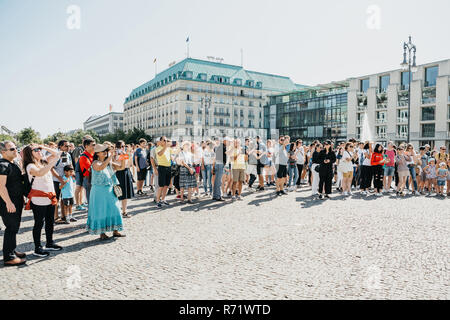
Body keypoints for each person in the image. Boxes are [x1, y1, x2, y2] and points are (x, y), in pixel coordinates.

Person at [23, 144, 63, 257]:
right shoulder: (30, 166)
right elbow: (40, 173)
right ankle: (37, 247)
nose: (39, 151)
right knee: (39, 223)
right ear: (30, 153)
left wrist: (43, 147)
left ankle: (49, 242)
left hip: (50, 198)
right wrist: (52, 162)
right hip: (38, 199)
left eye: (39, 149)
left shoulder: (43, 161)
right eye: (36, 150)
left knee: (50, 221)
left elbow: (58, 153)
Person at [86, 144, 125, 240]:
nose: (105, 152)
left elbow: (121, 167)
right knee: (101, 211)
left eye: (105, 150)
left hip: (110, 190)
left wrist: (123, 156)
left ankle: (115, 230)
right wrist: (110, 158)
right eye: (103, 151)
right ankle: (102, 232)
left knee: (115, 209)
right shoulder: (95, 163)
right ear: (97, 153)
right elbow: (100, 167)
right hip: (98, 191)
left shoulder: (109, 162)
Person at [0, 141, 26, 266]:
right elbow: (1, 187)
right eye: (12, 149)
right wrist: (8, 203)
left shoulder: (13, 163)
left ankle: (12, 250)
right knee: (11, 228)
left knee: (15, 227)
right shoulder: (2, 165)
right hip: (8, 202)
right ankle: (8, 257)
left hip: (17, 200)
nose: (15, 150)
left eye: (16, 148)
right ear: (3, 152)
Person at [115, 140, 134, 218]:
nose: (123, 148)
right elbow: (118, 159)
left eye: (123, 146)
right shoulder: (116, 153)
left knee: (125, 194)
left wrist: (128, 155)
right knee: (119, 193)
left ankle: (124, 211)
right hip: (119, 172)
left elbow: (129, 163)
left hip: (126, 171)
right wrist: (128, 155)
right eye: (121, 146)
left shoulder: (124, 153)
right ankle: (118, 211)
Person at [53, 140, 71, 224]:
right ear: (60, 146)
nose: (68, 148)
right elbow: (51, 168)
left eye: (68, 146)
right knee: (56, 199)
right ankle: (55, 217)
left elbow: (69, 166)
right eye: (66, 146)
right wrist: (60, 178)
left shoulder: (68, 155)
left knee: (64, 198)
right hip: (56, 180)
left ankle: (64, 216)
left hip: (65, 180)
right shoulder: (56, 155)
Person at [76, 138, 95, 208]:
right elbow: (91, 169)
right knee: (91, 198)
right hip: (89, 179)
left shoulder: (93, 154)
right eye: (92, 145)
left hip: (93, 178)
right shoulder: (83, 156)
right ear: (86, 146)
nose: (94, 147)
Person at [155, 136, 172, 208]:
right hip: (162, 167)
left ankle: (163, 199)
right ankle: (158, 201)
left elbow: (174, 153)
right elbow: (160, 154)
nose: (165, 142)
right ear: (161, 141)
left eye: (166, 140)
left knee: (166, 185)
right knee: (161, 186)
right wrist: (165, 147)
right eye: (164, 140)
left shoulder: (168, 149)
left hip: (168, 167)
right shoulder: (158, 148)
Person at [212, 137, 228, 201]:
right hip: (219, 164)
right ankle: (218, 196)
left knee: (216, 181)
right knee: (218, 181)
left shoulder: (219, 147)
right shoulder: (221, 147)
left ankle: (215, 195)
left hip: (218, 164)